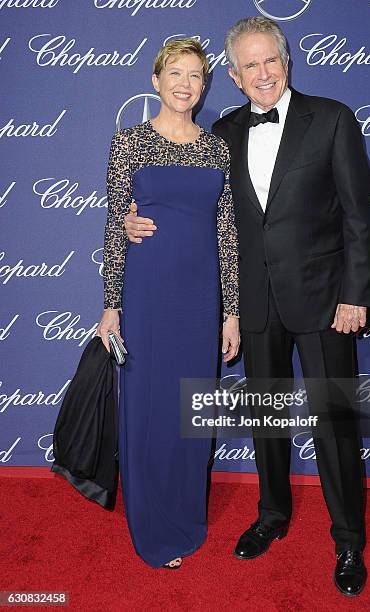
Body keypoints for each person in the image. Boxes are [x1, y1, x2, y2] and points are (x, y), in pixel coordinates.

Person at [123, 17, 370, 595]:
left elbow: (361, 216)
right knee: (267, 419)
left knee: (335, 424)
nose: (263, 74)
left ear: (286, 64)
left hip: (325, 301)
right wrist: (132, 223)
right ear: (234, 78)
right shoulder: (224, 133)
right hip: (256, 303)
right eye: (250, 66)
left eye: (272, 61)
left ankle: (348, 541)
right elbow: (200, 214)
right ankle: (272, 515)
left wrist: (355, 295)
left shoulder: (333, 118)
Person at [96, 38, 240, 570]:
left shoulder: (216, 149)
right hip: (148, 294)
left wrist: (232, 311)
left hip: (200, 300)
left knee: (190, 413)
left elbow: (227, 233)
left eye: (195, 75)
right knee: (151, 409)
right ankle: (151, 524)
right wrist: (111, 305)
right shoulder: (129, 142)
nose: (185, 83)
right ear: (156, 81)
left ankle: (185, 514)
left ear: (206, 86)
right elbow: (116, 225)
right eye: (174, 72)